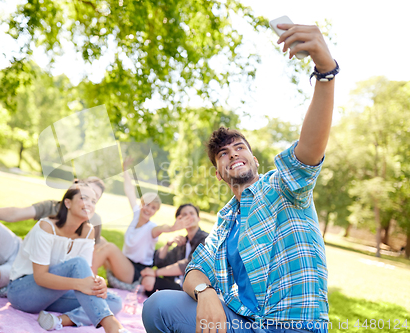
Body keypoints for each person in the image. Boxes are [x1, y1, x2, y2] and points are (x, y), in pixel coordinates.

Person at [143, 22, 338, 333]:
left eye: (239, 147)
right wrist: (205, 293)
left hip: (292, 326)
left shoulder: (283, 186)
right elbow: (195, 270)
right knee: (157, 306)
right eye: (223, 154)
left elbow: (310, 148)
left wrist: (325, 73)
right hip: (243, 323)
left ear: (253, 160)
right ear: (219, 174)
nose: (232, 154)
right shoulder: (225, 220)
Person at [7, 182, 127, 332]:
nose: (89, 204)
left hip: (54, 296)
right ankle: (112, 327)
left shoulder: (89, 231)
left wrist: (98, 283)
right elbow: (40, 277)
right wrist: (79, 284)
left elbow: (86, 274)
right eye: (84, 198)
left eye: (93, 201)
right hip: (23, 293)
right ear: (68, 203)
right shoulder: (47, 227)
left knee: (114, 300)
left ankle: (58, 321)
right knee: (77, 263)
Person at [91, 158, 191, 287]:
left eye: (153, 208)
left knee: (109, 247)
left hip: (136, 272)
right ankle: (86, 271)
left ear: (156, 212)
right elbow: (130, 190)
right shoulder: (136, 214)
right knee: (100, 240)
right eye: (146, 205)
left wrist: (172, 228)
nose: (148, 209)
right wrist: (125, 168)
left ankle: (89, 280)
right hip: (124, 264)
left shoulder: (151, 228)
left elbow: (161, 228)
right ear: (141, 204)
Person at [140, 203, 209, 297]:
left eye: (191, 213)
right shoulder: (184, 242)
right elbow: (159, 261)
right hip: (178, 285)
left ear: (198, 218)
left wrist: (155, 273)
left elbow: (188, 265)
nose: (188, 216)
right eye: (184, 215)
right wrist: (168, 244)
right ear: (179, 220)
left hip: (195, 289)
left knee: (149, 282)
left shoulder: (206, 240)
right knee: (147, 280)